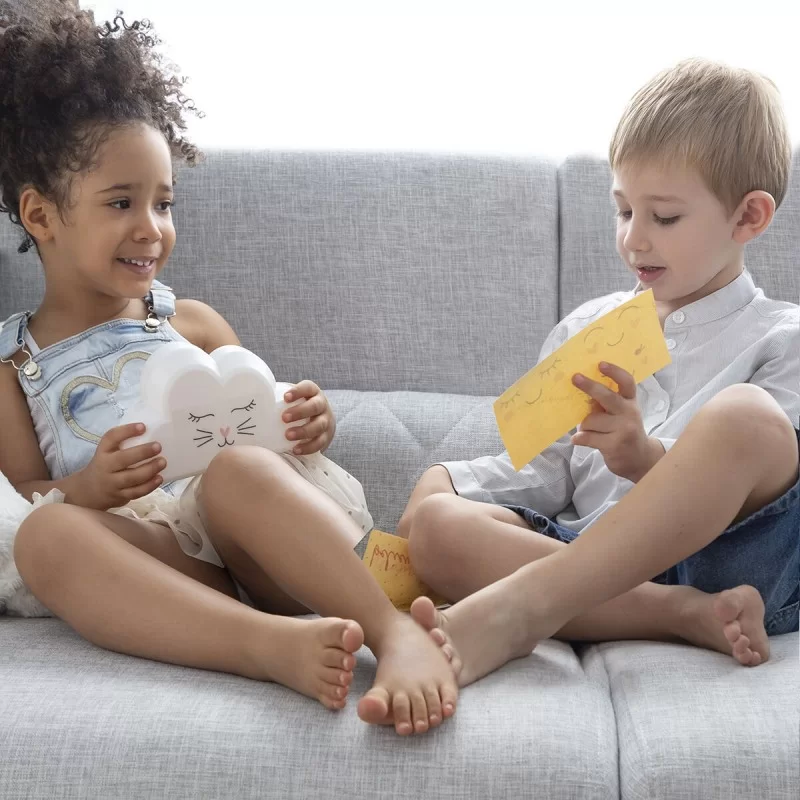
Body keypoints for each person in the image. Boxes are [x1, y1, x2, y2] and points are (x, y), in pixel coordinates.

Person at [0, 2, 456, 735]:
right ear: (41, 215)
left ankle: (389, 628)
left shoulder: (191, 322)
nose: (151, 228)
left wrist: (308, 421)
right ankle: (265, 646)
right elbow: (21, 493)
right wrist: (84, 489)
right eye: (121, 202)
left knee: (235, 471)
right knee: (44, 539)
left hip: (260, 548)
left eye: (163, 203)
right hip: (169, 569)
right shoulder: (14, 368)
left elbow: (262, 423)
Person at [400, 58, 799, 686]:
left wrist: (645, 459)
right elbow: (548, 470)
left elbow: (765, 484)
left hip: (732, 559)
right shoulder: (588, 328)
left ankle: (526, 605)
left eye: (664, 217)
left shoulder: (785, 338)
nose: (634, 240)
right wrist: (452, 481)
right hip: (590, 564)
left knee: (747, 417)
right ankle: (678, 615)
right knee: (437, 526)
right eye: (623, 211)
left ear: (747, 217)